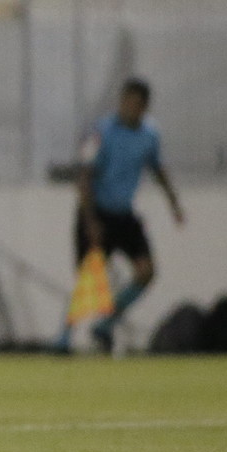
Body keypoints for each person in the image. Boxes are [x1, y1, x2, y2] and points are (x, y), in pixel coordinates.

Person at [71, 77, 184, 351]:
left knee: (146, 272)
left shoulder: (150, 135)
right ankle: (65, 337)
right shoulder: (101, 131)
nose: (129, 108)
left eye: (135, 104)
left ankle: (105, 324)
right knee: (90, 279)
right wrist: (90, 221)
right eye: (125, 102)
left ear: (144, 107)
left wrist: (173, 203)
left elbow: (157, 168)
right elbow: (85, 175)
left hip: (124, 215)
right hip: (97, 212)